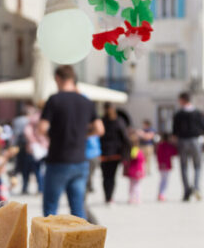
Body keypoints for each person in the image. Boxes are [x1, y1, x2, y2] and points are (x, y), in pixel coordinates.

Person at [39, 66, 104, 220]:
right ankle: (80, 236)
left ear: (57, 78)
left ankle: (50, 236)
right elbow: (100, 129)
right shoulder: (86, 101)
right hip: (80, 161)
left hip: (58, 160)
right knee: (78, 209)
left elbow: (41, 128)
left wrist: (53, 136)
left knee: (50, 210)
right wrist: (84, 135)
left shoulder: (54, 100)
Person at [172, 92, 204, 201]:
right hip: (195, 141)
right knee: (197, 166)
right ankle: (196, 187)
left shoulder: (179, 114)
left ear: (182, 100)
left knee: (184, 167)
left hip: (182, 141)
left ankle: (187, 191)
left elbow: (174, 131)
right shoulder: (197, 113)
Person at [99, 103, 130, 205]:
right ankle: (109, 197)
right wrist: (126, 154)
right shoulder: (119, 121)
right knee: (111, 176)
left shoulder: (102, 121)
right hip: (115, 153)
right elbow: (125, 138)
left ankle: (107, 196)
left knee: (105, 176)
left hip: (104, 153)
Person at [21, 106, 48, 194]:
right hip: (44, 148)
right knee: (41, 170)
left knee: (29, 170)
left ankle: (26, 187)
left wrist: (34, 142)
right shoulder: (47, 118)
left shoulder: (33, 118)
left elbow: (27, 132)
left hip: (33, 148)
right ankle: (41, 188)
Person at [123, 133, 146, 204]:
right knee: (137, 185)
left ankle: (131, 198)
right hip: (137, 170)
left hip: (131, 170)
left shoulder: (129, 151)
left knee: (131, 185)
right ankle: (137, 198)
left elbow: (125, 161)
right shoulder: (138, 151)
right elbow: (142, 160)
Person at [155, 133, 177, 202]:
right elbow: (175, 152)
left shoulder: (160, 145)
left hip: (161, 165)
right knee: (165, 181)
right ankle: (162, 194)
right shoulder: (169, 146)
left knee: (162, 180)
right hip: (167, 165)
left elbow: (158, 155)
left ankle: (160, 193)